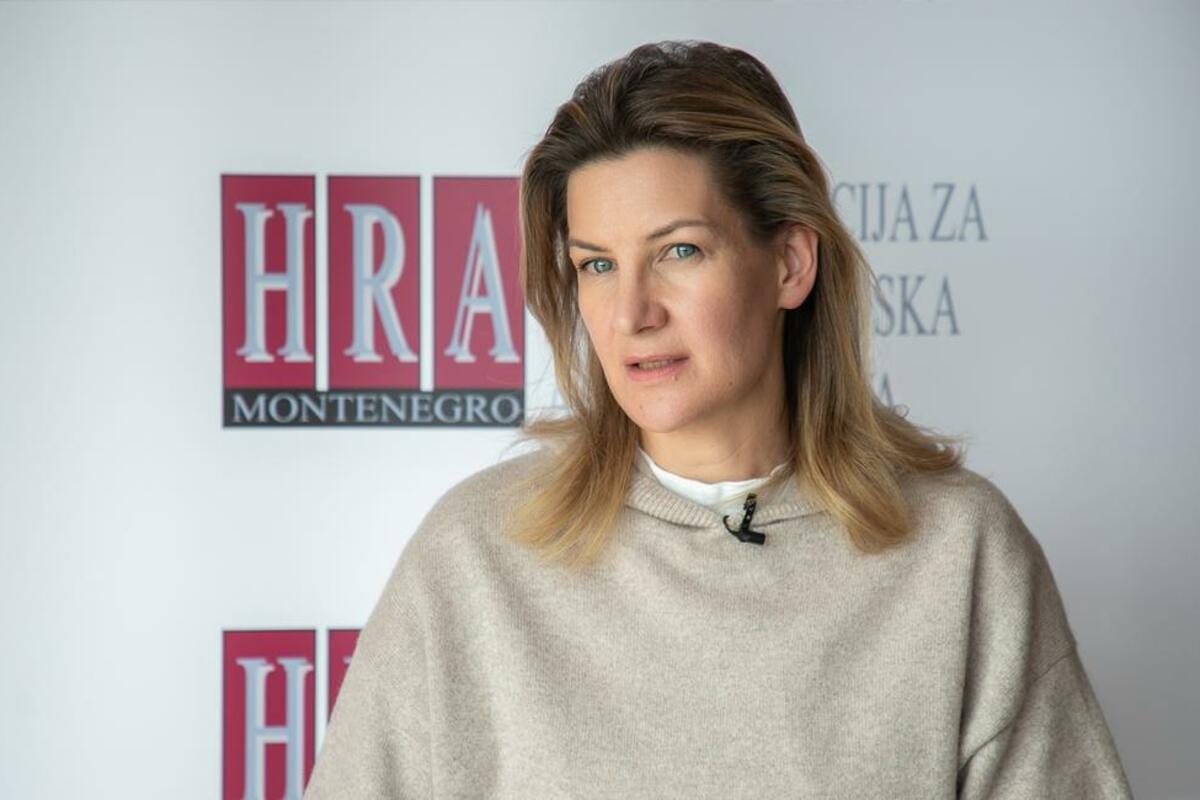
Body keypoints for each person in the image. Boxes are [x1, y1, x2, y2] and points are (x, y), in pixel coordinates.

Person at [303, 40, 1134, 798]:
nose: (631, 314)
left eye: (679, 251)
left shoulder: (959, 554)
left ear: (790, 264)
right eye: (597, 265)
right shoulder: (476, 555)